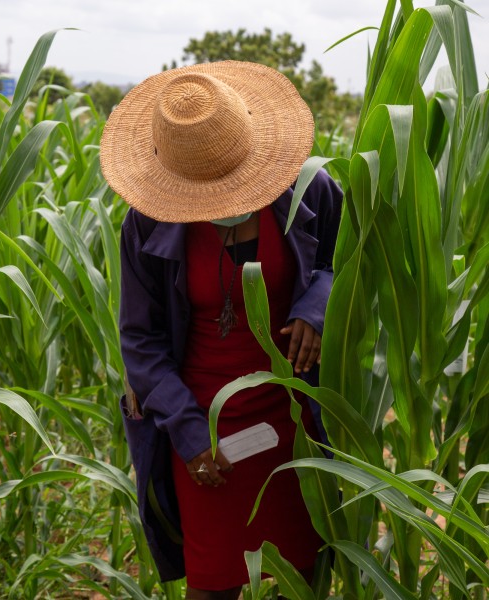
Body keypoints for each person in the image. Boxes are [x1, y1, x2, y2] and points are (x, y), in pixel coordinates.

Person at [100, 60, 342, 600]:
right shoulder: (145, 224)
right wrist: (189, 437)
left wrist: (316, 306)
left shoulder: (309, 191)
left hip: (294, 411)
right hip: (204, 425)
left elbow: (344, 259)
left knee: (302, 573)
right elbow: (140, 340)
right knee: (212, 584)